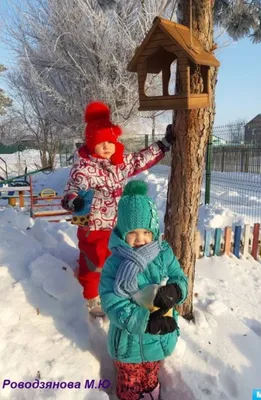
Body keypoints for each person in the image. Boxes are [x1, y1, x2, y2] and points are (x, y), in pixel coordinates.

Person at [61, 101, 173, 317]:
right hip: (91, 224)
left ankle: (114, 289)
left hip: (114, 224)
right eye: (101, 142)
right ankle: (90, 296)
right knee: (93, 261)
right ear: (91, 143)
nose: (106, 147)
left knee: (114, 259)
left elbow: (140, 159)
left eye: (110, 142)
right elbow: (72, 189)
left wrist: (164, 144)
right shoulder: (83, 167)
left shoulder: (118, 163)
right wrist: (73, 200)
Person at [100, 180, 188, 400]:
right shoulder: (114, 264)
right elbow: (113, 302)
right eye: (133, 233)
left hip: (159, 337)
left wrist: (176, 291)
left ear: (154, 229)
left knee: (151, 374)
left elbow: (180, 277)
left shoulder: (163, 253)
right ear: (121, 232)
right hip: (128, 342)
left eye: (147, 232)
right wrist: (144, 321)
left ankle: (151, 392)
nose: (141, 239)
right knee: (130, 382)